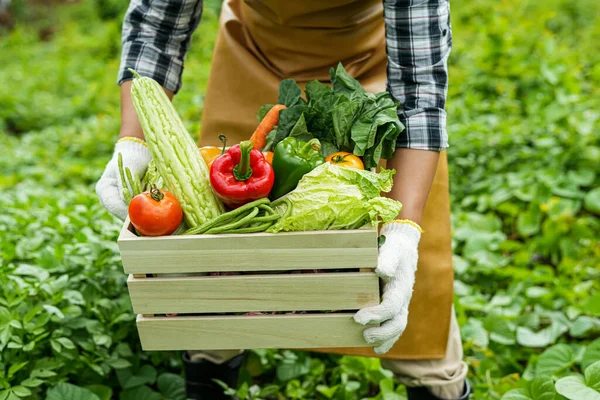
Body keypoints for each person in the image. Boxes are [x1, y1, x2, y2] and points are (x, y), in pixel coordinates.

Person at [96, 0, 471, 399]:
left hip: (366, 73)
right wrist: (133, 141)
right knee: (213, 287)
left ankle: (436, 381)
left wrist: (404, 228)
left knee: (404, 295)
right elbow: (158, 23)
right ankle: (208, 373)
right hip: (252, 61)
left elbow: (419, 84)